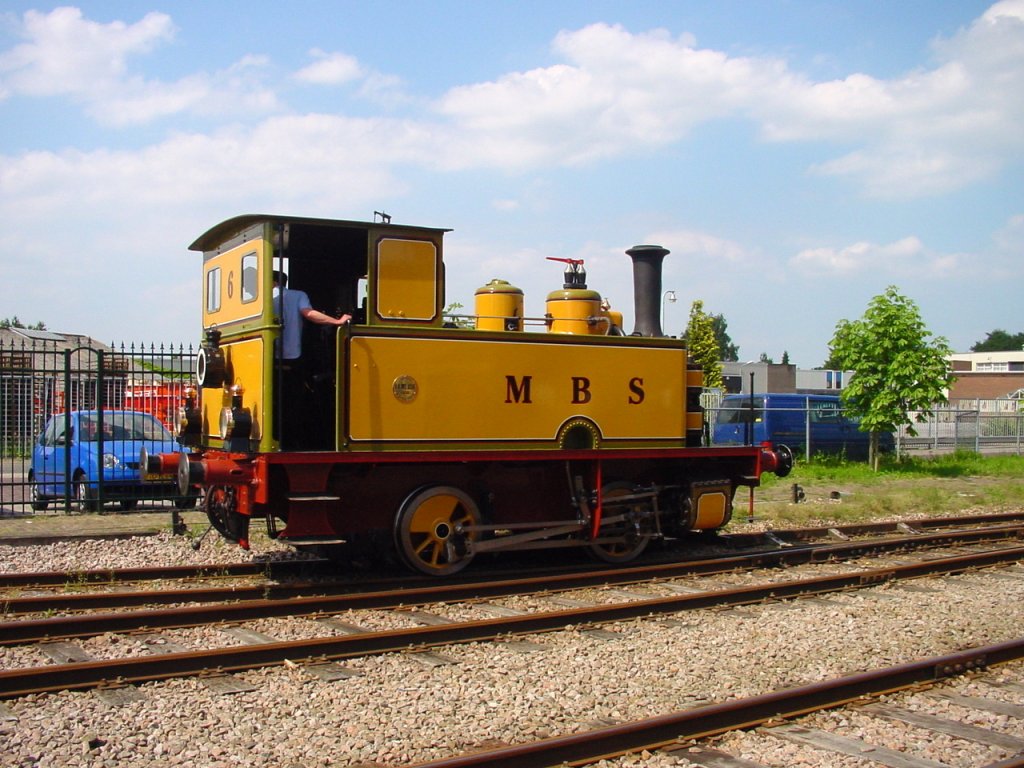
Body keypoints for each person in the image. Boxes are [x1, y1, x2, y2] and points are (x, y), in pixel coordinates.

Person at [272, 270, 351, 360]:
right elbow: (309, 313)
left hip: (266, 351)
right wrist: (337, 321)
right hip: (291, 352)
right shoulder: (299, 295)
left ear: (273, 282)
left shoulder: (263, 298)